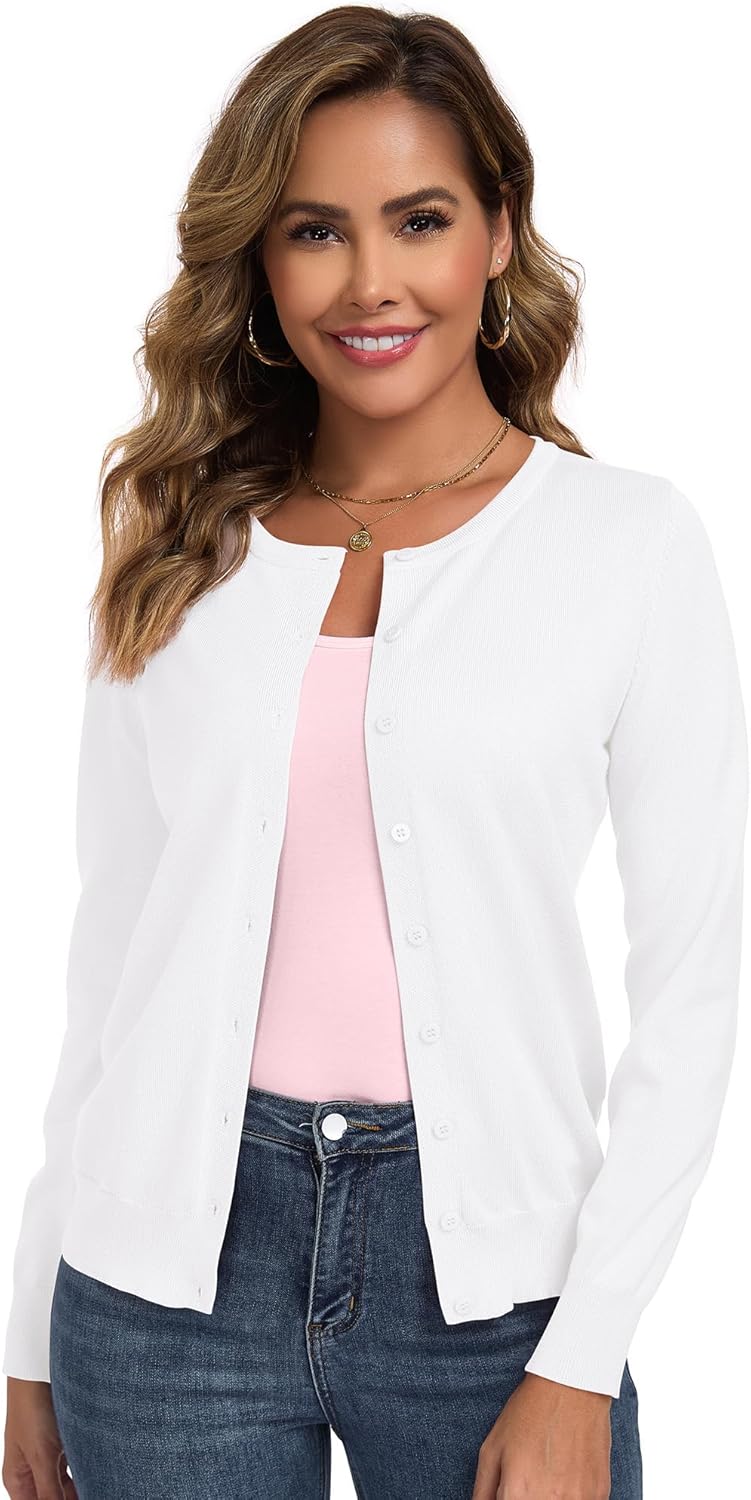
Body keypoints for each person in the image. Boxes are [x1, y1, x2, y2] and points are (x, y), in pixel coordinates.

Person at [2, 7, 747, 1499]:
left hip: (498, 1297)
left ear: (499, 231)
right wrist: (28, 1333)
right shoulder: (180, 545)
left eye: (419, 219)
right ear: (261, 266)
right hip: (161, 1287)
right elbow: (111, 974)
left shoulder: (626, 546)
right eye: (314, 231)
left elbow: (697, 985)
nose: (369, 283)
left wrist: (583, 1355)